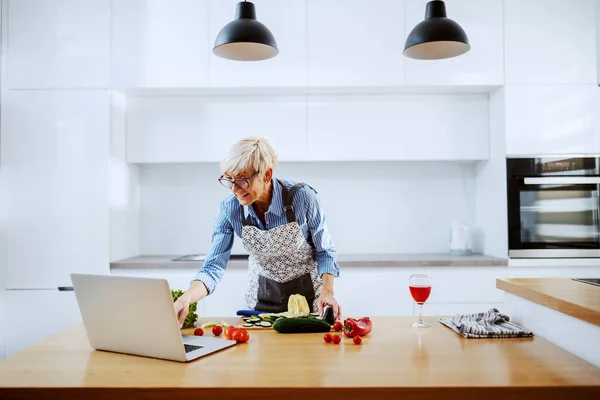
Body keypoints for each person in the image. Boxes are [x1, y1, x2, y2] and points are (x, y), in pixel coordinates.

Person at [173, 136, 342, 326]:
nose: (234, 189)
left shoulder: (303, 199)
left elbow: (325, 252)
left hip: (309, 306)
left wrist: (328, 293)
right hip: (260, 308)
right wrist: (187, 297)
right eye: (229, 179)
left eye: (242, 180)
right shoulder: (230, 209)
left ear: (267, 175)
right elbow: (214, 267)